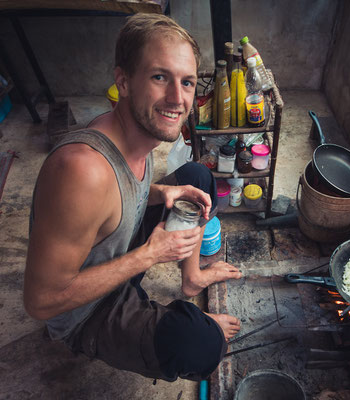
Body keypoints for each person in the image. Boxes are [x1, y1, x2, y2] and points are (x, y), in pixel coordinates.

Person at [23, 13, 242, 382]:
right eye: (160, 77)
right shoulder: (81, 171)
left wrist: (163, 191)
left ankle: (191, 280)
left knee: (197, 178)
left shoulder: (137, 132)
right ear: (123, 80)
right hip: (87, 311)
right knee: (200, 346)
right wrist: (150, 254)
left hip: (115, 256)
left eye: (186, 82)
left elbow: (118, 199)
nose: (177, 98)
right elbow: (40, 301)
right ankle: (174, 322)